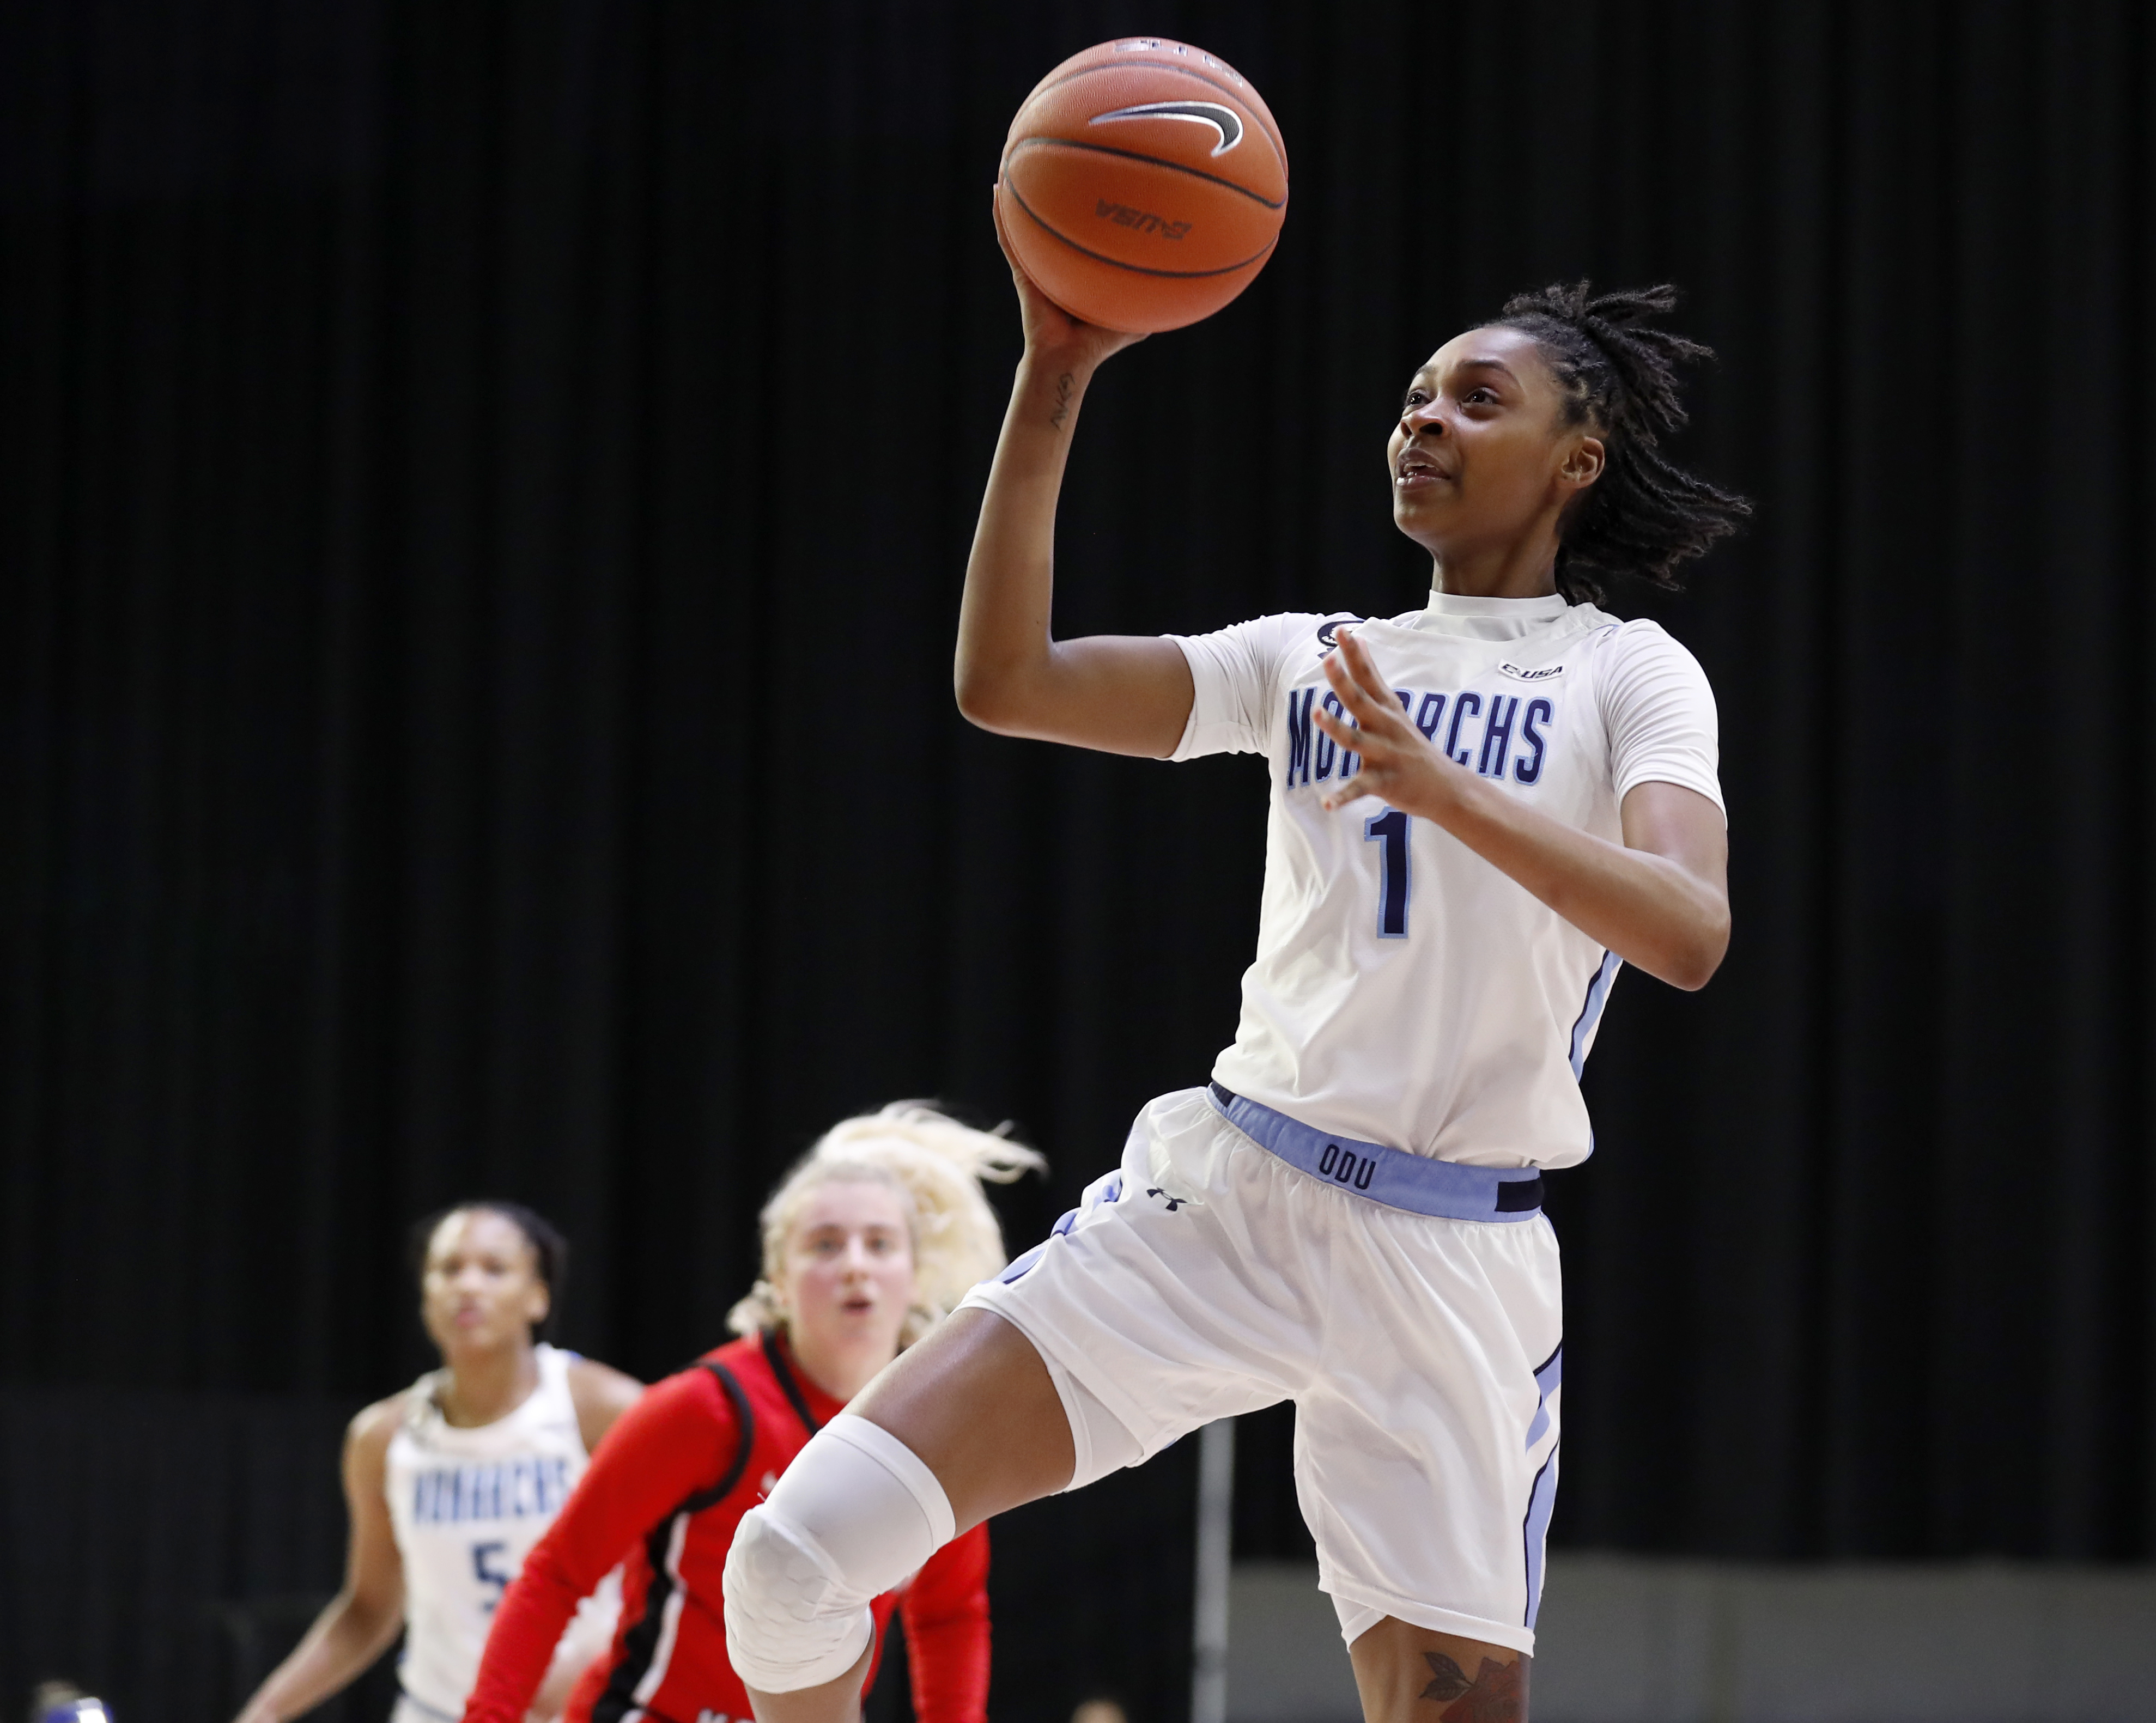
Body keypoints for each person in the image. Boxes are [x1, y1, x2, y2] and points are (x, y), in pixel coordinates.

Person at [720, 242, 1747, 1723]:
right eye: (1413, 399)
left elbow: (1690, 929)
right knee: (791, 1562)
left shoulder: (1630, 674)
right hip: (1227, 1200)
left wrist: (1446, 790)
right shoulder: (1307, 659)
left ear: (1577, 459)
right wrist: (1054, 377)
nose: (1425, 421)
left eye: (1476, 397)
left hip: (1449, 1262)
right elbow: (1009, 680)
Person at [462, 1103, 1040, 1723]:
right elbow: (556, 1574)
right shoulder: (706, 1407)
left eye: (879, 1244)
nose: (854, 1264)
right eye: (824, 1244)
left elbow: (948, 1614)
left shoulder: (934, 1429)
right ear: (778, 1279)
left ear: (913, 1277)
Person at [234, 1204, 640, 1723]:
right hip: (440, 1710)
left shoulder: (603, 1409)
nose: (468, 1285)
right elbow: (368, 1609)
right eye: (449, 1268)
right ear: (426, 1294)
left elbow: (671, 1573)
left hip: (580, 1707)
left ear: (538, 1296)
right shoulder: (382, 1438)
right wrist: (266, 1710)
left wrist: (594, 1662)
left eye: (494, 1268)